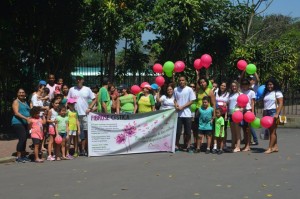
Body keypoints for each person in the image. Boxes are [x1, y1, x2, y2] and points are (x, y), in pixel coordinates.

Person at [67, 74, 95, 156]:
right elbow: (68, 101)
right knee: (76, 133)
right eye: (77, 79)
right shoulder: (72, 89)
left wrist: (90, 108)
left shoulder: (87, 89)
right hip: (75, 115)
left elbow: (94, 99)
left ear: (83, 80)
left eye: (80, 79)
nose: (78, 80)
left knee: (86, 133)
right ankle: (77, 150)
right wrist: (71, 110)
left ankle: (84, 149)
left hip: (85, 114)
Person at [173, 76, 196, 151]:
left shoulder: (189, 89)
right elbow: (174, 99)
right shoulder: (176, 89)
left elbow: (192, 101)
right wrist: (176, 104)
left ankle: (188, 145)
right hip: (178, 114)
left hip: (187, 114)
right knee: (178, 132)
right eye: (180, 80)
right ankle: (176, 145)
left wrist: (183, 106)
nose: (181, 82)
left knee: (188, 132)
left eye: (183, 80)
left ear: (185, 81)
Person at [262, 78, 283, 154]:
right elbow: (265, 105)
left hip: (273, 112)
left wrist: (277, 113)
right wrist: (264, 114)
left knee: (273, 131)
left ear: (274, 85)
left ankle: (270, 148)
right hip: (267, 112)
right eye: (268, 85)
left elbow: (280, 103)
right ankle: (275, 146)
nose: (269, 86)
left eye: (271, 84)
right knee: (271, 131)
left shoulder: (277, 92)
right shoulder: (267, 93)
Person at [12, 88, 31, 163]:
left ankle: (23, 155)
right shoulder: (16, 102)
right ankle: (18, 157)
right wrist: (26, 118)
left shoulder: (25, 102)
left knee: (25, 139)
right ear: (17, 94)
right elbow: (16, 113)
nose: (21, 94)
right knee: (22, 138)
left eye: (23, 92)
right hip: (18, 122)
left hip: (25, 123)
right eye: (20, 92)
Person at [240, 78, 256, 152]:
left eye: (246, 84)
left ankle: (248, 145)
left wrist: (252, 112)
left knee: (248, 129)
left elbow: (252, 103)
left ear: (249, 85)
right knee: (243, 128)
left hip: (248, 111)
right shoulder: (241, 91)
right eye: (243, 84)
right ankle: (246, 144)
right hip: (242, 111)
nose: (244, 85)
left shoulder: (251, 92)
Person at [228, 80, 242, 152]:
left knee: (237, 131)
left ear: (237, 86)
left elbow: (243, 105)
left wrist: (240, 110)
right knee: (232, 131)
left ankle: (238, 146)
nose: (234, 87)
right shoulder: (230, 94)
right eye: (232, 86)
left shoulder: (240, 94)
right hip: (230, 114)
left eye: (235, 86)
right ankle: (233, 145)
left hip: (236, 115)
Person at [215, 81, 229, 150]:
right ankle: (216, 144)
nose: (222, 87)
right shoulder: (216, 92)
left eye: (224, 86)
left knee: (224, 129)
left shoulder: (228, 94)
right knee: (216, 128)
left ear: (226, 87)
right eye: (221, 85)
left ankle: (224, 144)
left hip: (223, 114)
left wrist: (226, 115)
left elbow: (228, 105)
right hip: (216, 114)